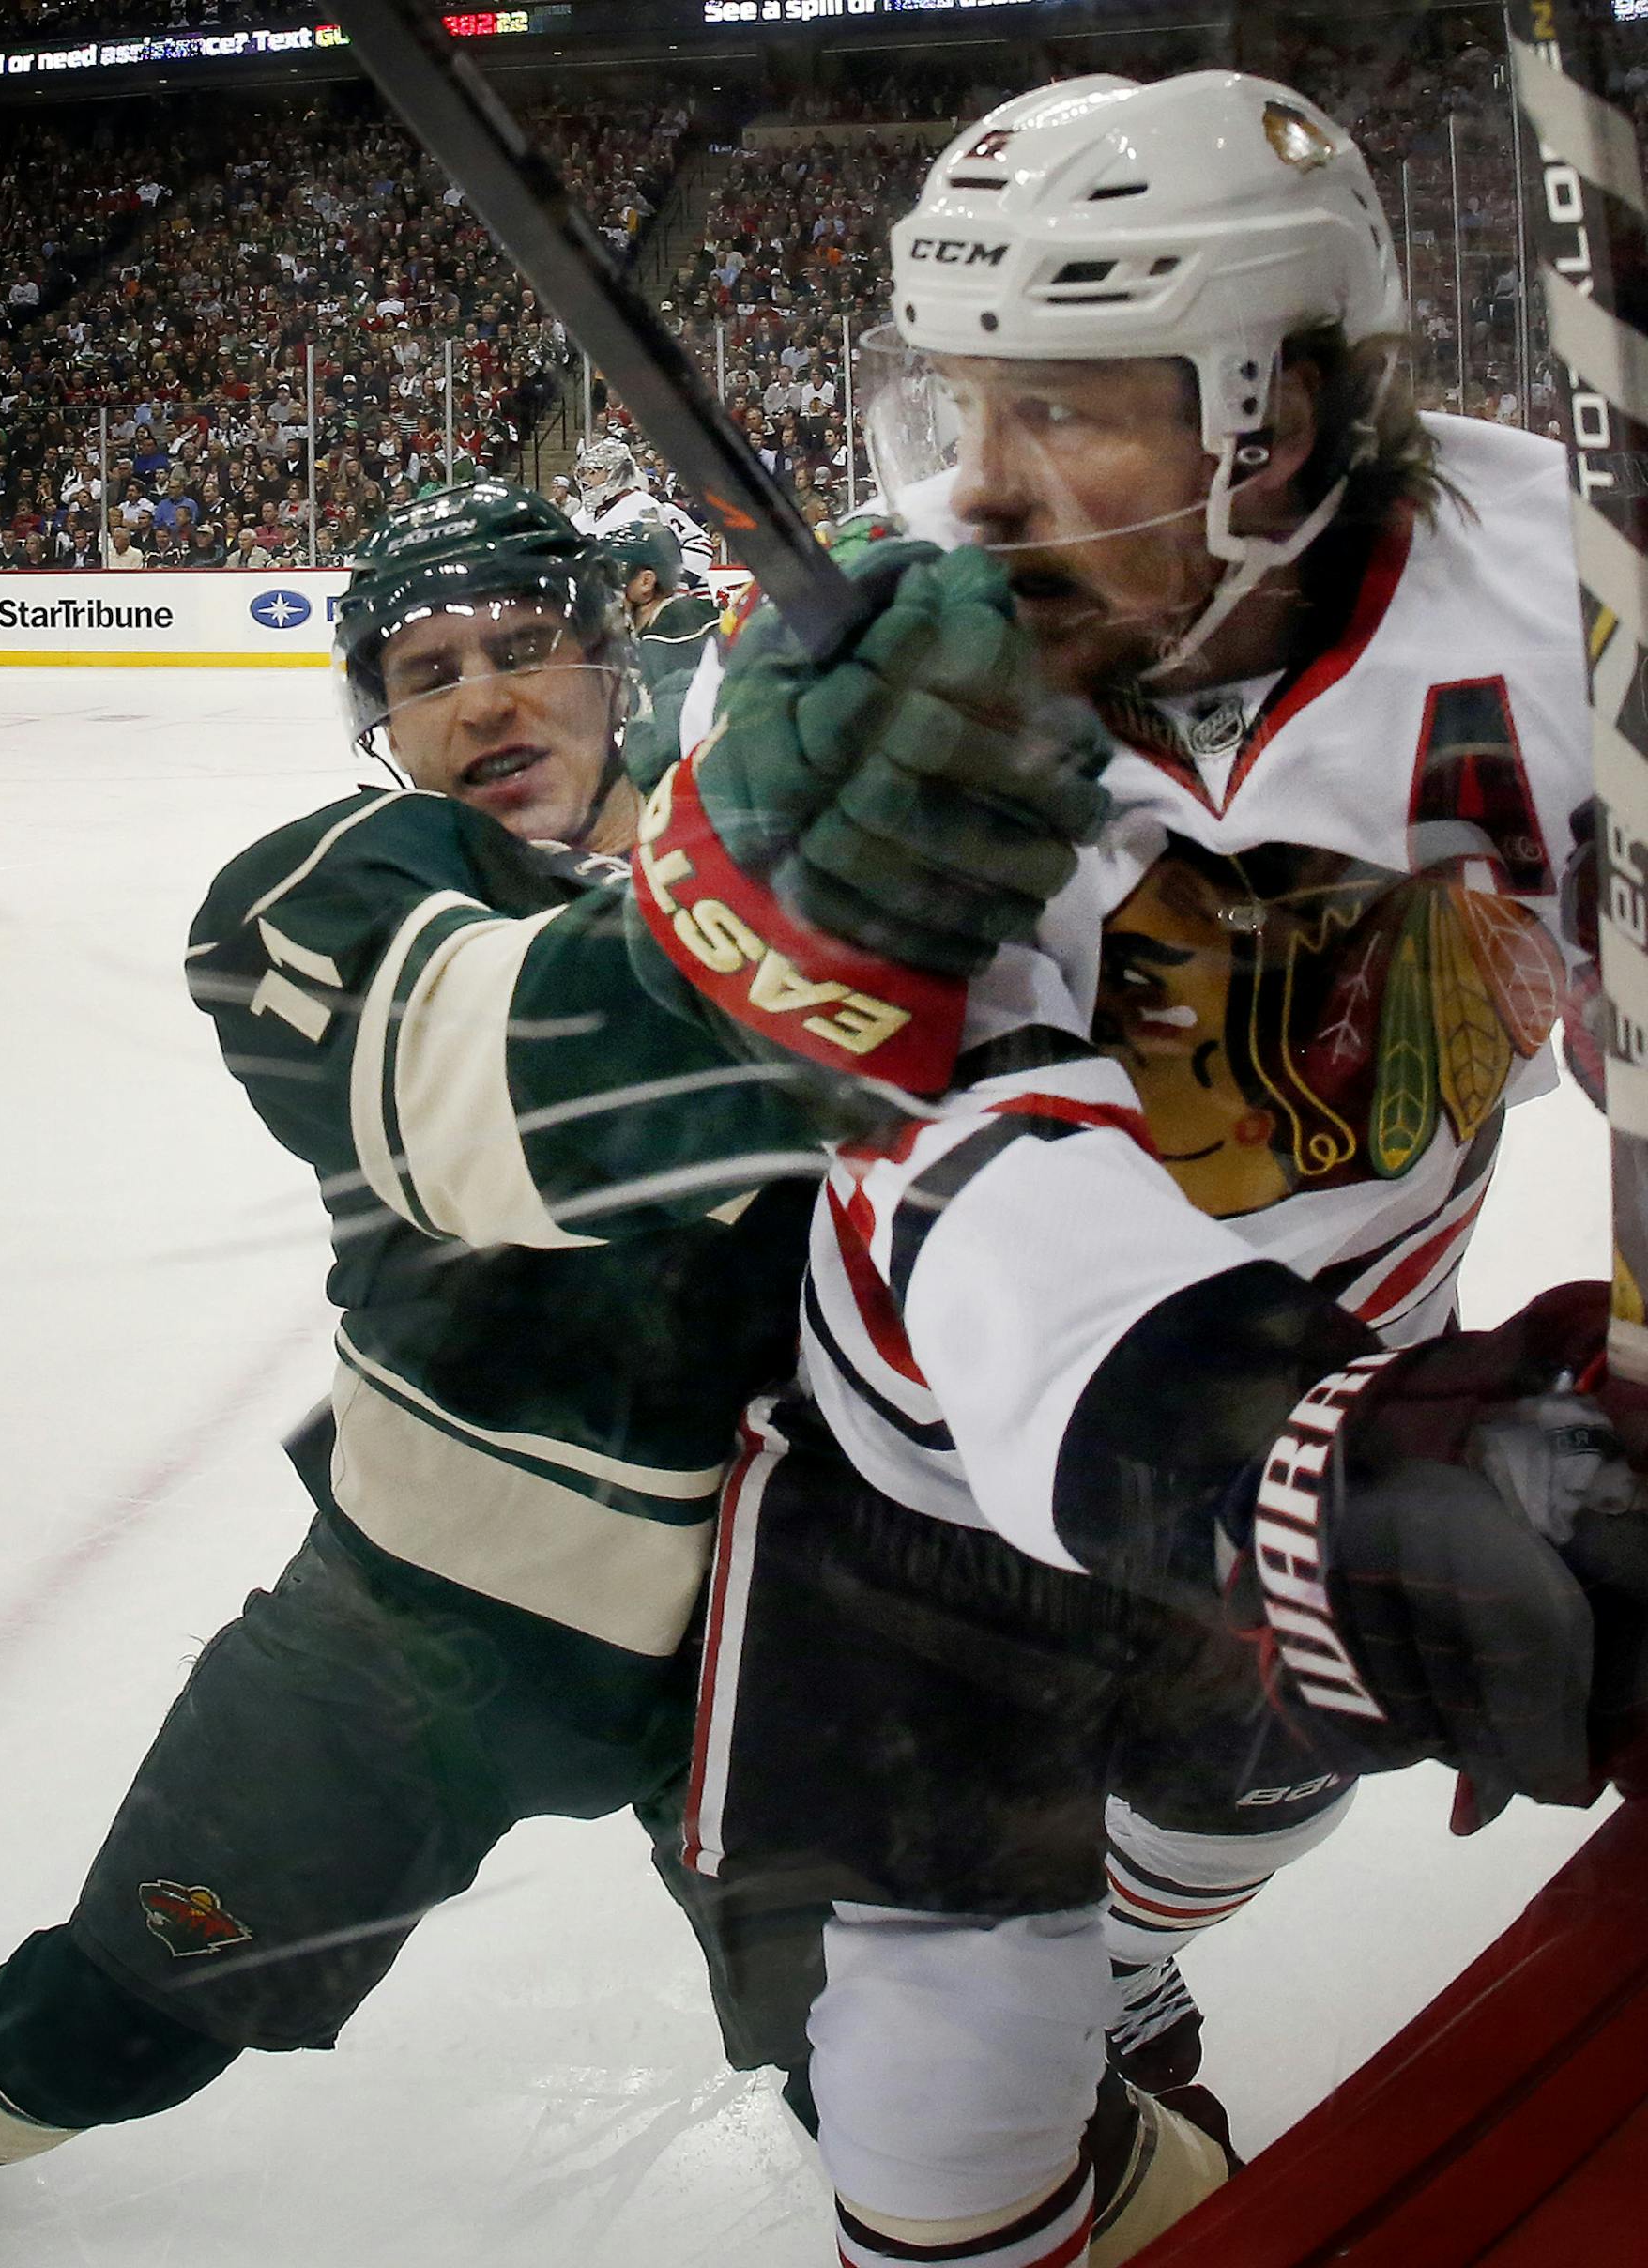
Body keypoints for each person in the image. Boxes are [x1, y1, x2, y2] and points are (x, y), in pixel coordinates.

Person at [0, 482, 1106, 2262]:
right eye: (427, 670)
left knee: (933, 2085)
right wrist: (851, 848)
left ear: (615, 663)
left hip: (809, 1623)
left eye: (526, 649)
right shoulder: (318, 896)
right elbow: (581, 1093)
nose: (483, 703)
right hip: (433, 1621)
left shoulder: (776, 837)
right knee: (135, 1993)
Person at [630, 70, 1633, 2268]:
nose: (973, 492)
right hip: (932, 1509)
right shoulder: (844, 677)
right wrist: (1290, 1461)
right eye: (948, 406)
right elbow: (923, 1142)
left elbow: (1592, 992)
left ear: (1276, 411)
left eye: (1066, 413)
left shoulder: (1559, 580)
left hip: (1366, 1399)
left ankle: (1124, 1956)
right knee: (928, 2159)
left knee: (1230, 1808)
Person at [571, 434, 716, 594]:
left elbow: (698, 544)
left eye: (593, 473)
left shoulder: (644, 506)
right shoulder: (582, 516)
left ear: (616, 473)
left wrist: (675, 582)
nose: (586, 480)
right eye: (584, 473)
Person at [601, 518, 721, 696]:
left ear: (646, 581)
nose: (605, 588)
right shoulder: (636, 634)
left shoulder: (679, 627)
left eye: (613, 576)